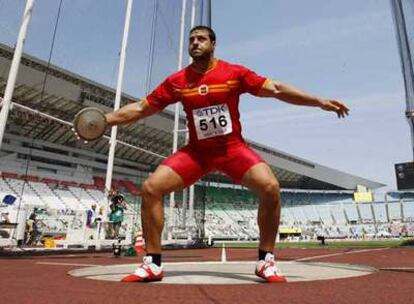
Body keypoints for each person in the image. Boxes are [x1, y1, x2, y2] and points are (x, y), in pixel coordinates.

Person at [101, 26, 349, 283]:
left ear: (213, 44)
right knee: (152, 188)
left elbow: (275, 88)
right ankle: (152, 264)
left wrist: (318, 101)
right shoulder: (177, 81)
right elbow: (141, 108)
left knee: (271, 187)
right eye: (191, 40)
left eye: (201, 39)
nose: (195, 43)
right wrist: (102, 120)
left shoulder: (234, 73)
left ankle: (266, 261)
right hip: (197, 153)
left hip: (232, 149)